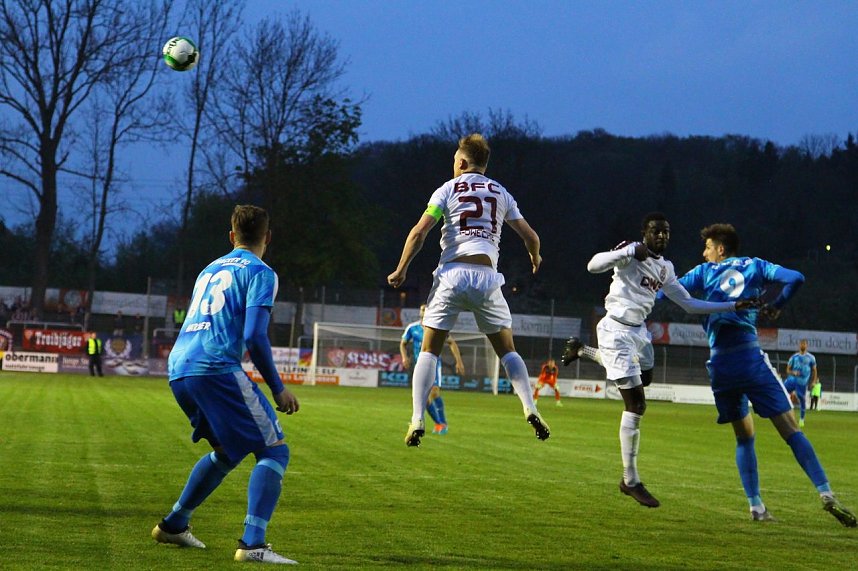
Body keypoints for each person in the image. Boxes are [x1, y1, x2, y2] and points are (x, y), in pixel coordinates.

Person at [560, 212, 754, 508]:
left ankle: (580, 350)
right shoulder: (631, 252)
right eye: (655, 231)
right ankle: (630, 480)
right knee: (636, 404)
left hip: (640, 334)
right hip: (616, 331)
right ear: (644, 234)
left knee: (646, 379)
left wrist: (731, 306)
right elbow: (593, 265)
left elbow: (688, 304)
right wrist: (625, 251)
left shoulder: (665, 268)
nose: (661, 236)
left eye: (666, 232)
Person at [672, 222, 855, 526]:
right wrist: (777, 305)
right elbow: (796, 278)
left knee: (744, 439)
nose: (703, 254)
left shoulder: (701, 274)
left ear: (720, 248)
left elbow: (669, 293)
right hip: (749, 359)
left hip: (720, 366)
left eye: (707, 247)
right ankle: (826, 493)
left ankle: (756, 506)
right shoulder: (755, 266)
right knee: (791, 430)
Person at [152, 205, 302, 563]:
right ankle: (253, 545)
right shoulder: (261, 272)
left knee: (227, 451)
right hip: (215, 366)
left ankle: (174, 525)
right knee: (274, 450)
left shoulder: (209, 269)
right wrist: (278, 387)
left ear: (232, 236)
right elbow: (253, 335)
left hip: (179, 367)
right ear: (267, 237)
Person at [387, 133, 550, 447]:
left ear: (461, 162)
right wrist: (534, 256)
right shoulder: (502, 193)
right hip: (487, 277)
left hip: (452, 273)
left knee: (429, 352)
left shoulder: (447, 189)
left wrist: (402, 267)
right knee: (507, 351)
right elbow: (531, 236)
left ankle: (418, 417)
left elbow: (420, 232)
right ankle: (529, 407)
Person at [400, 304, 465, 435]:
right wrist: (404, 357)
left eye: (426, 309)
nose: (423, 311)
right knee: (425, 399)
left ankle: (443, 424)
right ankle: (439, 423)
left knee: (434, 392)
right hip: (419, 366)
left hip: (435, 364)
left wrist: (459, 361)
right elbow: (403, 343)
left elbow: (451, 342)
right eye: (422, 309)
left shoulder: (438, 326)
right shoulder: (412, 328)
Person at [784, 339, 817, 427]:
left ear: (807, 346)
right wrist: (793, 372)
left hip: (802, 383)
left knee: (802, 399)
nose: (803, 345)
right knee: (782, 391)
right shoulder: (794, 357)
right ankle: (783, 414)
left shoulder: (811, 358)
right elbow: (787, 369)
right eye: (801, 344)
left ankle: (801, 419)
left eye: (804, 344)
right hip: (792, 380)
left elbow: (814, 370)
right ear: (799, 345)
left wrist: (813, 381)